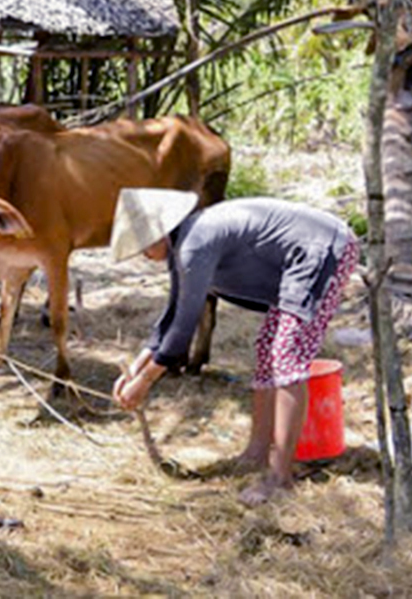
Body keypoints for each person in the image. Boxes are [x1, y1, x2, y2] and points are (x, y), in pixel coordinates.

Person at [109, 189, 360, 505]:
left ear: (160, 232)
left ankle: (280, 477)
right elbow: (173, 312)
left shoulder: (194, 245)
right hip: (305, 254)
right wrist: (136, 367)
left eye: (143, 245)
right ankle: (256, 452)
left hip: (322, 249)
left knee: (286, 358)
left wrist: (145, 382)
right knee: (267, 351)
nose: (143, 254)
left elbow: (185, 326)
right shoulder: (184, 246)